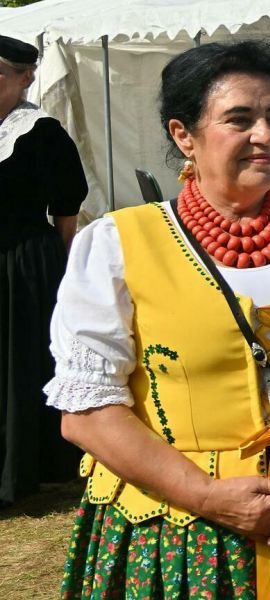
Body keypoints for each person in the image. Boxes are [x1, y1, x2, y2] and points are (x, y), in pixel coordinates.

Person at [46, 39, 270, 598]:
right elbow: (87, 412)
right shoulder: (119, 244)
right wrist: (209, 496)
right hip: (177, 530)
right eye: (239, 119)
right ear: (183, 136)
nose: (265, 135)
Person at [0, 34, 87, 506]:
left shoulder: (40, 132)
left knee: (20, 361)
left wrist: (64, 268)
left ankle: (25, 465)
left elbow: (66, 208)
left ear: (25, 78)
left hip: (22, 262)